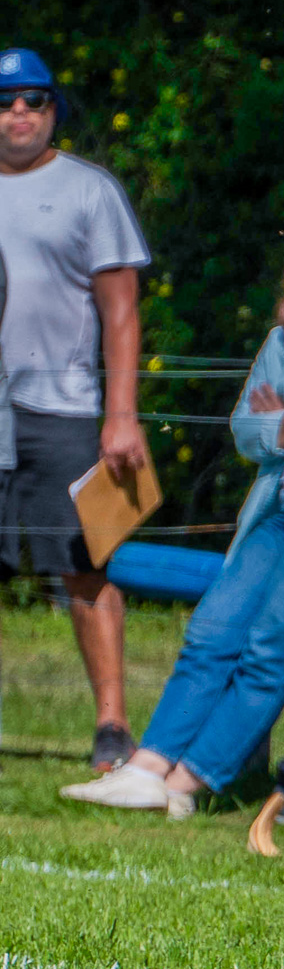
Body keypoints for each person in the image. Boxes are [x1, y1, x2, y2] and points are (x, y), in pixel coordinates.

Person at [58, 201, 284, 815]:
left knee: (272, 646)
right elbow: (245, 431)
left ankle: (189, 783)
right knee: (210, 634)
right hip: (275, 513)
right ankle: (146, 766)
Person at [0, 47, 151, 771]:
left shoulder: (90, 190)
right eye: (5, 101)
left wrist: (120, 413)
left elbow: (120, 311)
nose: (18, 113)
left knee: (84, 564)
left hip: (62, 407)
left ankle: (112, 725)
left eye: (33, 99)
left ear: (54, 108)